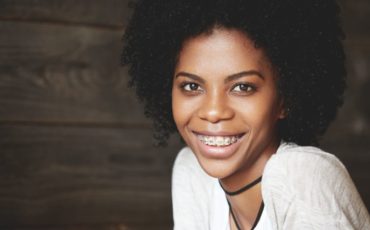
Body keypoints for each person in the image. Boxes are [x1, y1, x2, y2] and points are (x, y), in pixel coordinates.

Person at [122, 0, 370, 229]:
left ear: (286, 99)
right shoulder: (192, 170)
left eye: (243, 87)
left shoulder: (301, 176)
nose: (213, 111)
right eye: (192, 86)